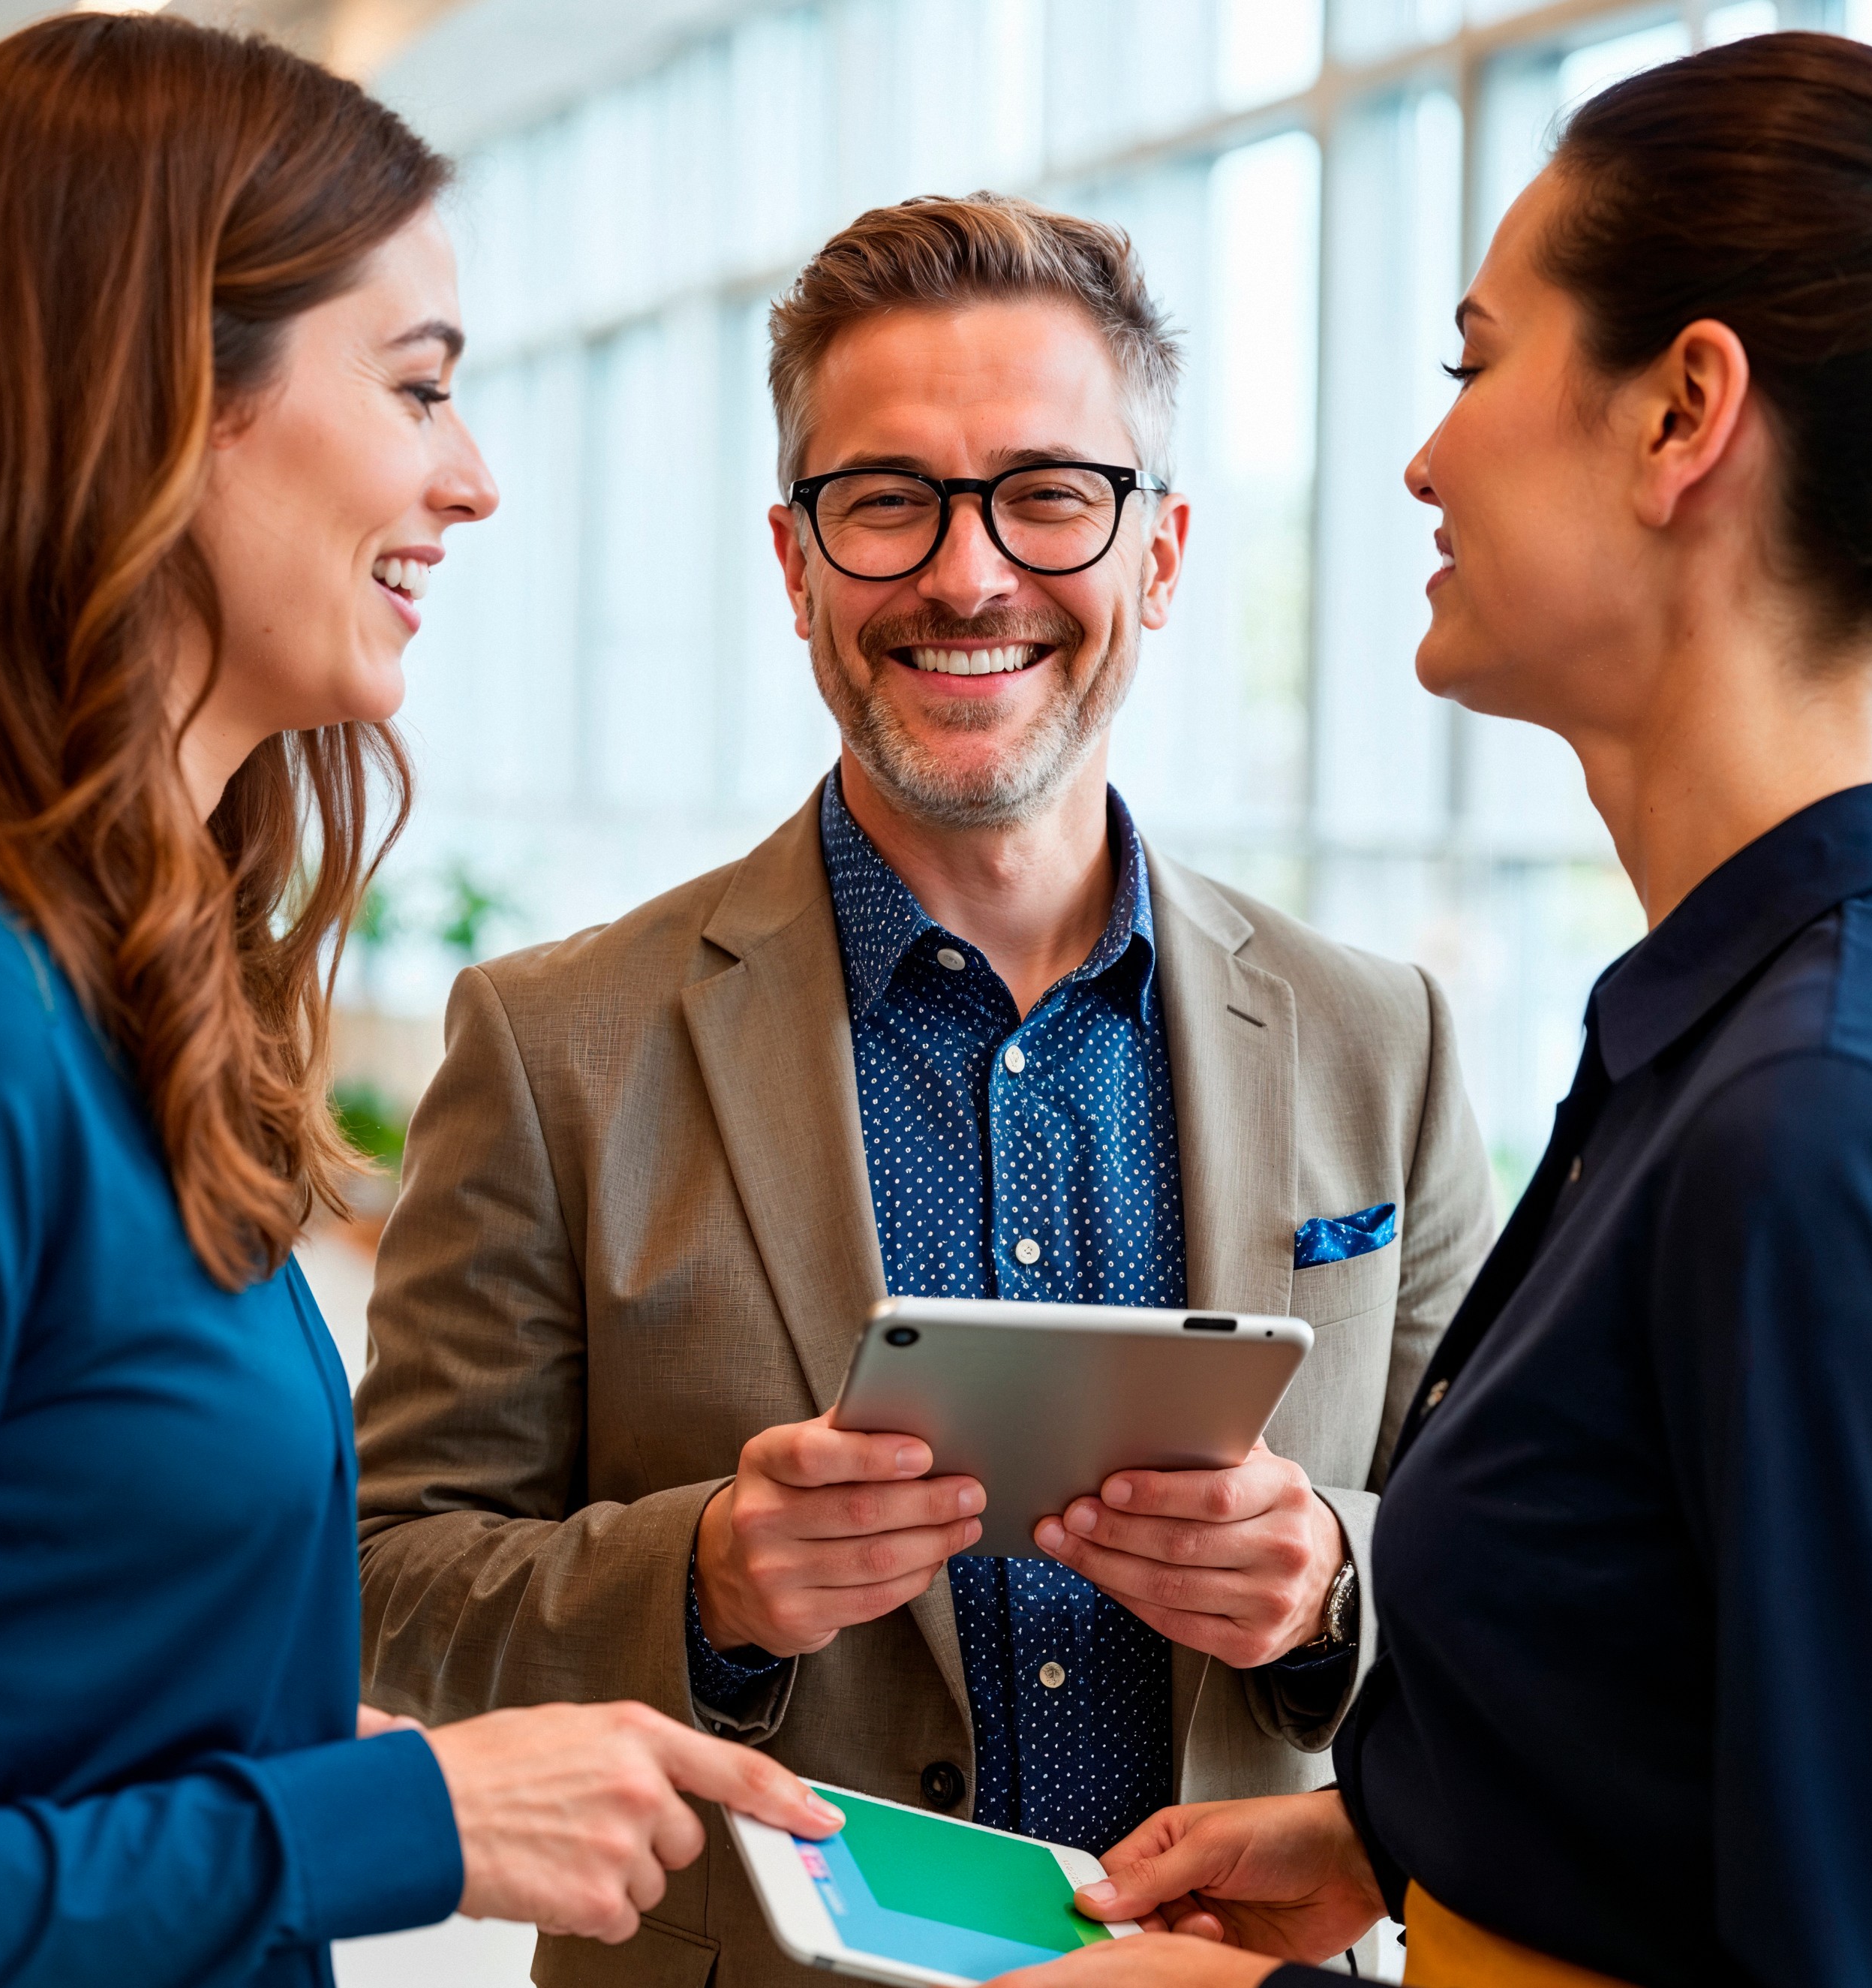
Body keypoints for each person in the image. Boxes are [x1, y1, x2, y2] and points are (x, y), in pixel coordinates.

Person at [352, 192, 1496, 1985]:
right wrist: (708, 1580)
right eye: (888, 500)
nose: (969, 575)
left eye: (1050, 494)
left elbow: (1516, 1571)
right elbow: (391, 1581)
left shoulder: (1385, 1042)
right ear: (797, 562)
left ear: (1165, 556)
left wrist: (1334, 1581)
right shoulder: (554, 1044)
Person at [983, 30, 1872, 1988]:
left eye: (1472, 360)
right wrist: (1398, 1832)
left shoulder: (1819, 1119)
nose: (1424, 453)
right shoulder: (1733, 1038)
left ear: (1681, 410)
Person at [0, 19, 840, 1987]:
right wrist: (404, 1821)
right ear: (160, 393)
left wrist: (404, 1760)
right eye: (419, 387)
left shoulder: (119, 988)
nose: (472, 481)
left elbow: (44, 1681)